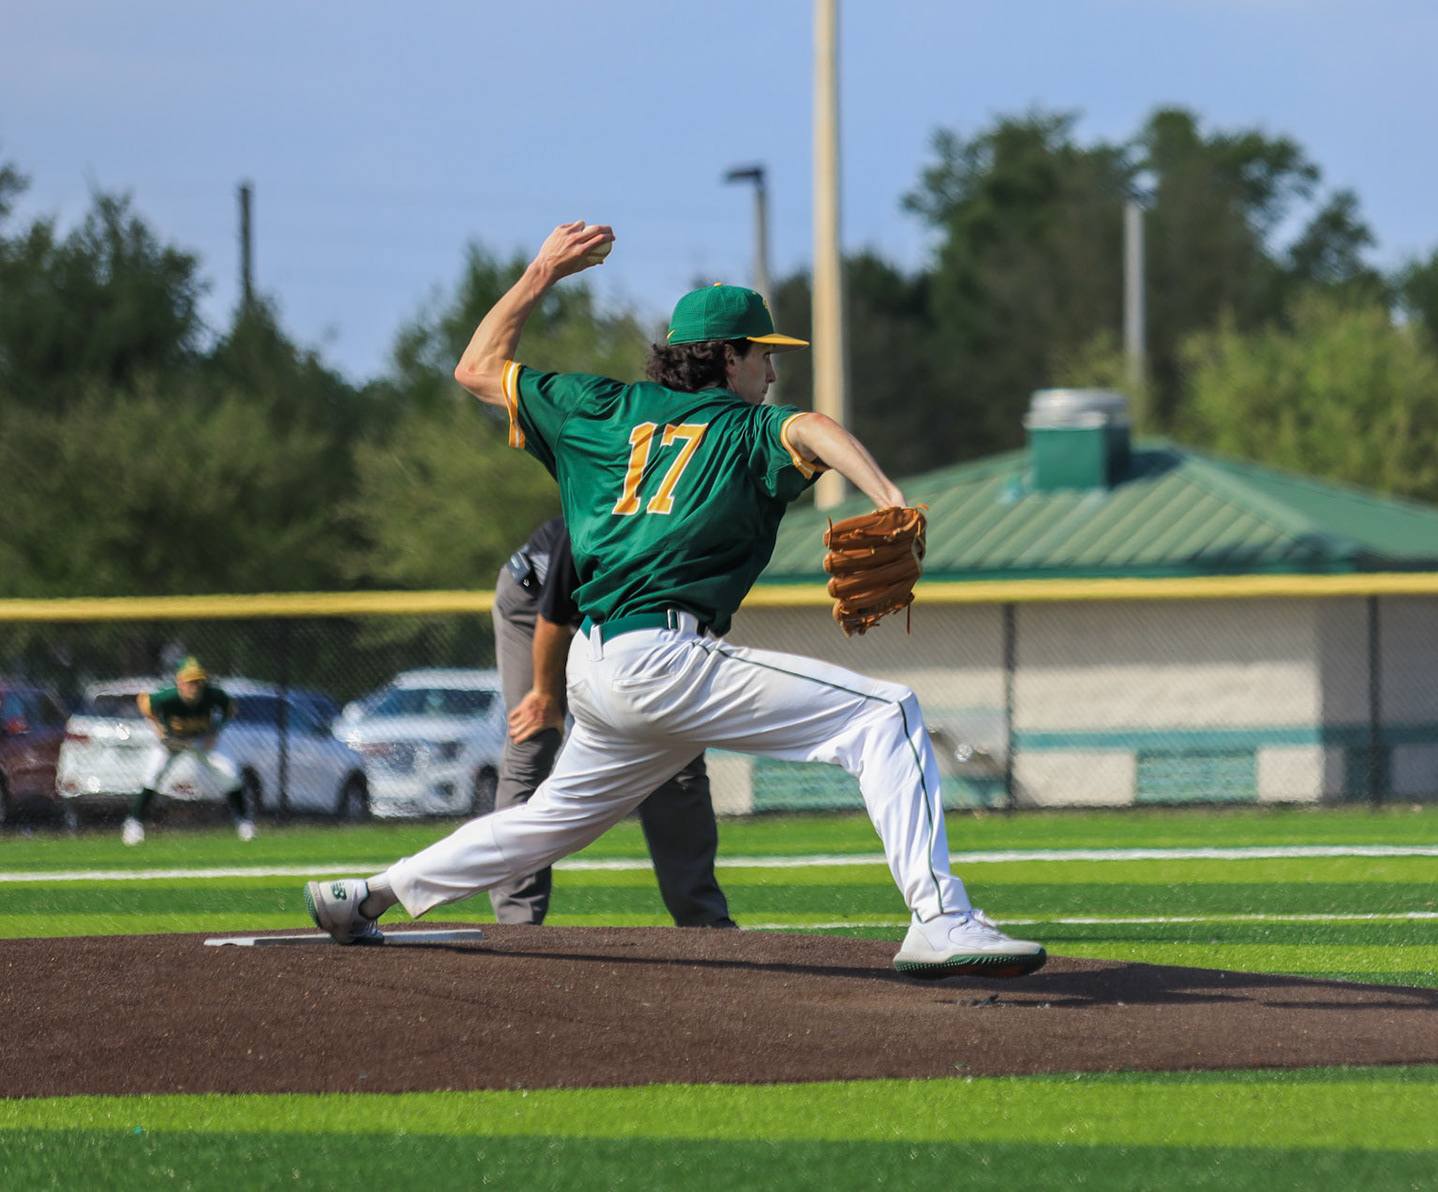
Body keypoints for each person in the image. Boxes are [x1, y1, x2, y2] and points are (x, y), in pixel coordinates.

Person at [306, 221, 1044, 979]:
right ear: (727, 356)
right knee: (885, 714)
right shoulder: (745, 428)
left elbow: (474, 368)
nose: (771, 370)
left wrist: (541, 272)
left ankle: (361, 895)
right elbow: (813, 428)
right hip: (665, 658)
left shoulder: (597, 408)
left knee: (545, 824)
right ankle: (941, 919)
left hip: (599, 668)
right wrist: (888, 494)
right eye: (762, 354)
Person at [492, 516, 733, 927]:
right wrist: (546, 696)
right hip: (538, 603)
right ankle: (517, 925)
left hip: (626, 621)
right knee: (535, 737)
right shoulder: (611, 501)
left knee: (675, 756)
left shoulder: (714, 522)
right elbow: (555, 615)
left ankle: (704, 920)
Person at [124, 657, 254, 845]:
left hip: (201, 740)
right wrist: (158, 728)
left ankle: (244, 823)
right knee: (153, 774)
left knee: (230, 772)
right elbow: (144, 702)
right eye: (190, 682)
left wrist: (215, 732)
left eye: (198, 681)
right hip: (173, 741)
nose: (194, 686)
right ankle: (133, 823)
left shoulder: (212, 694)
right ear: (179, 681)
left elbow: (230, 709)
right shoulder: (169, 695)